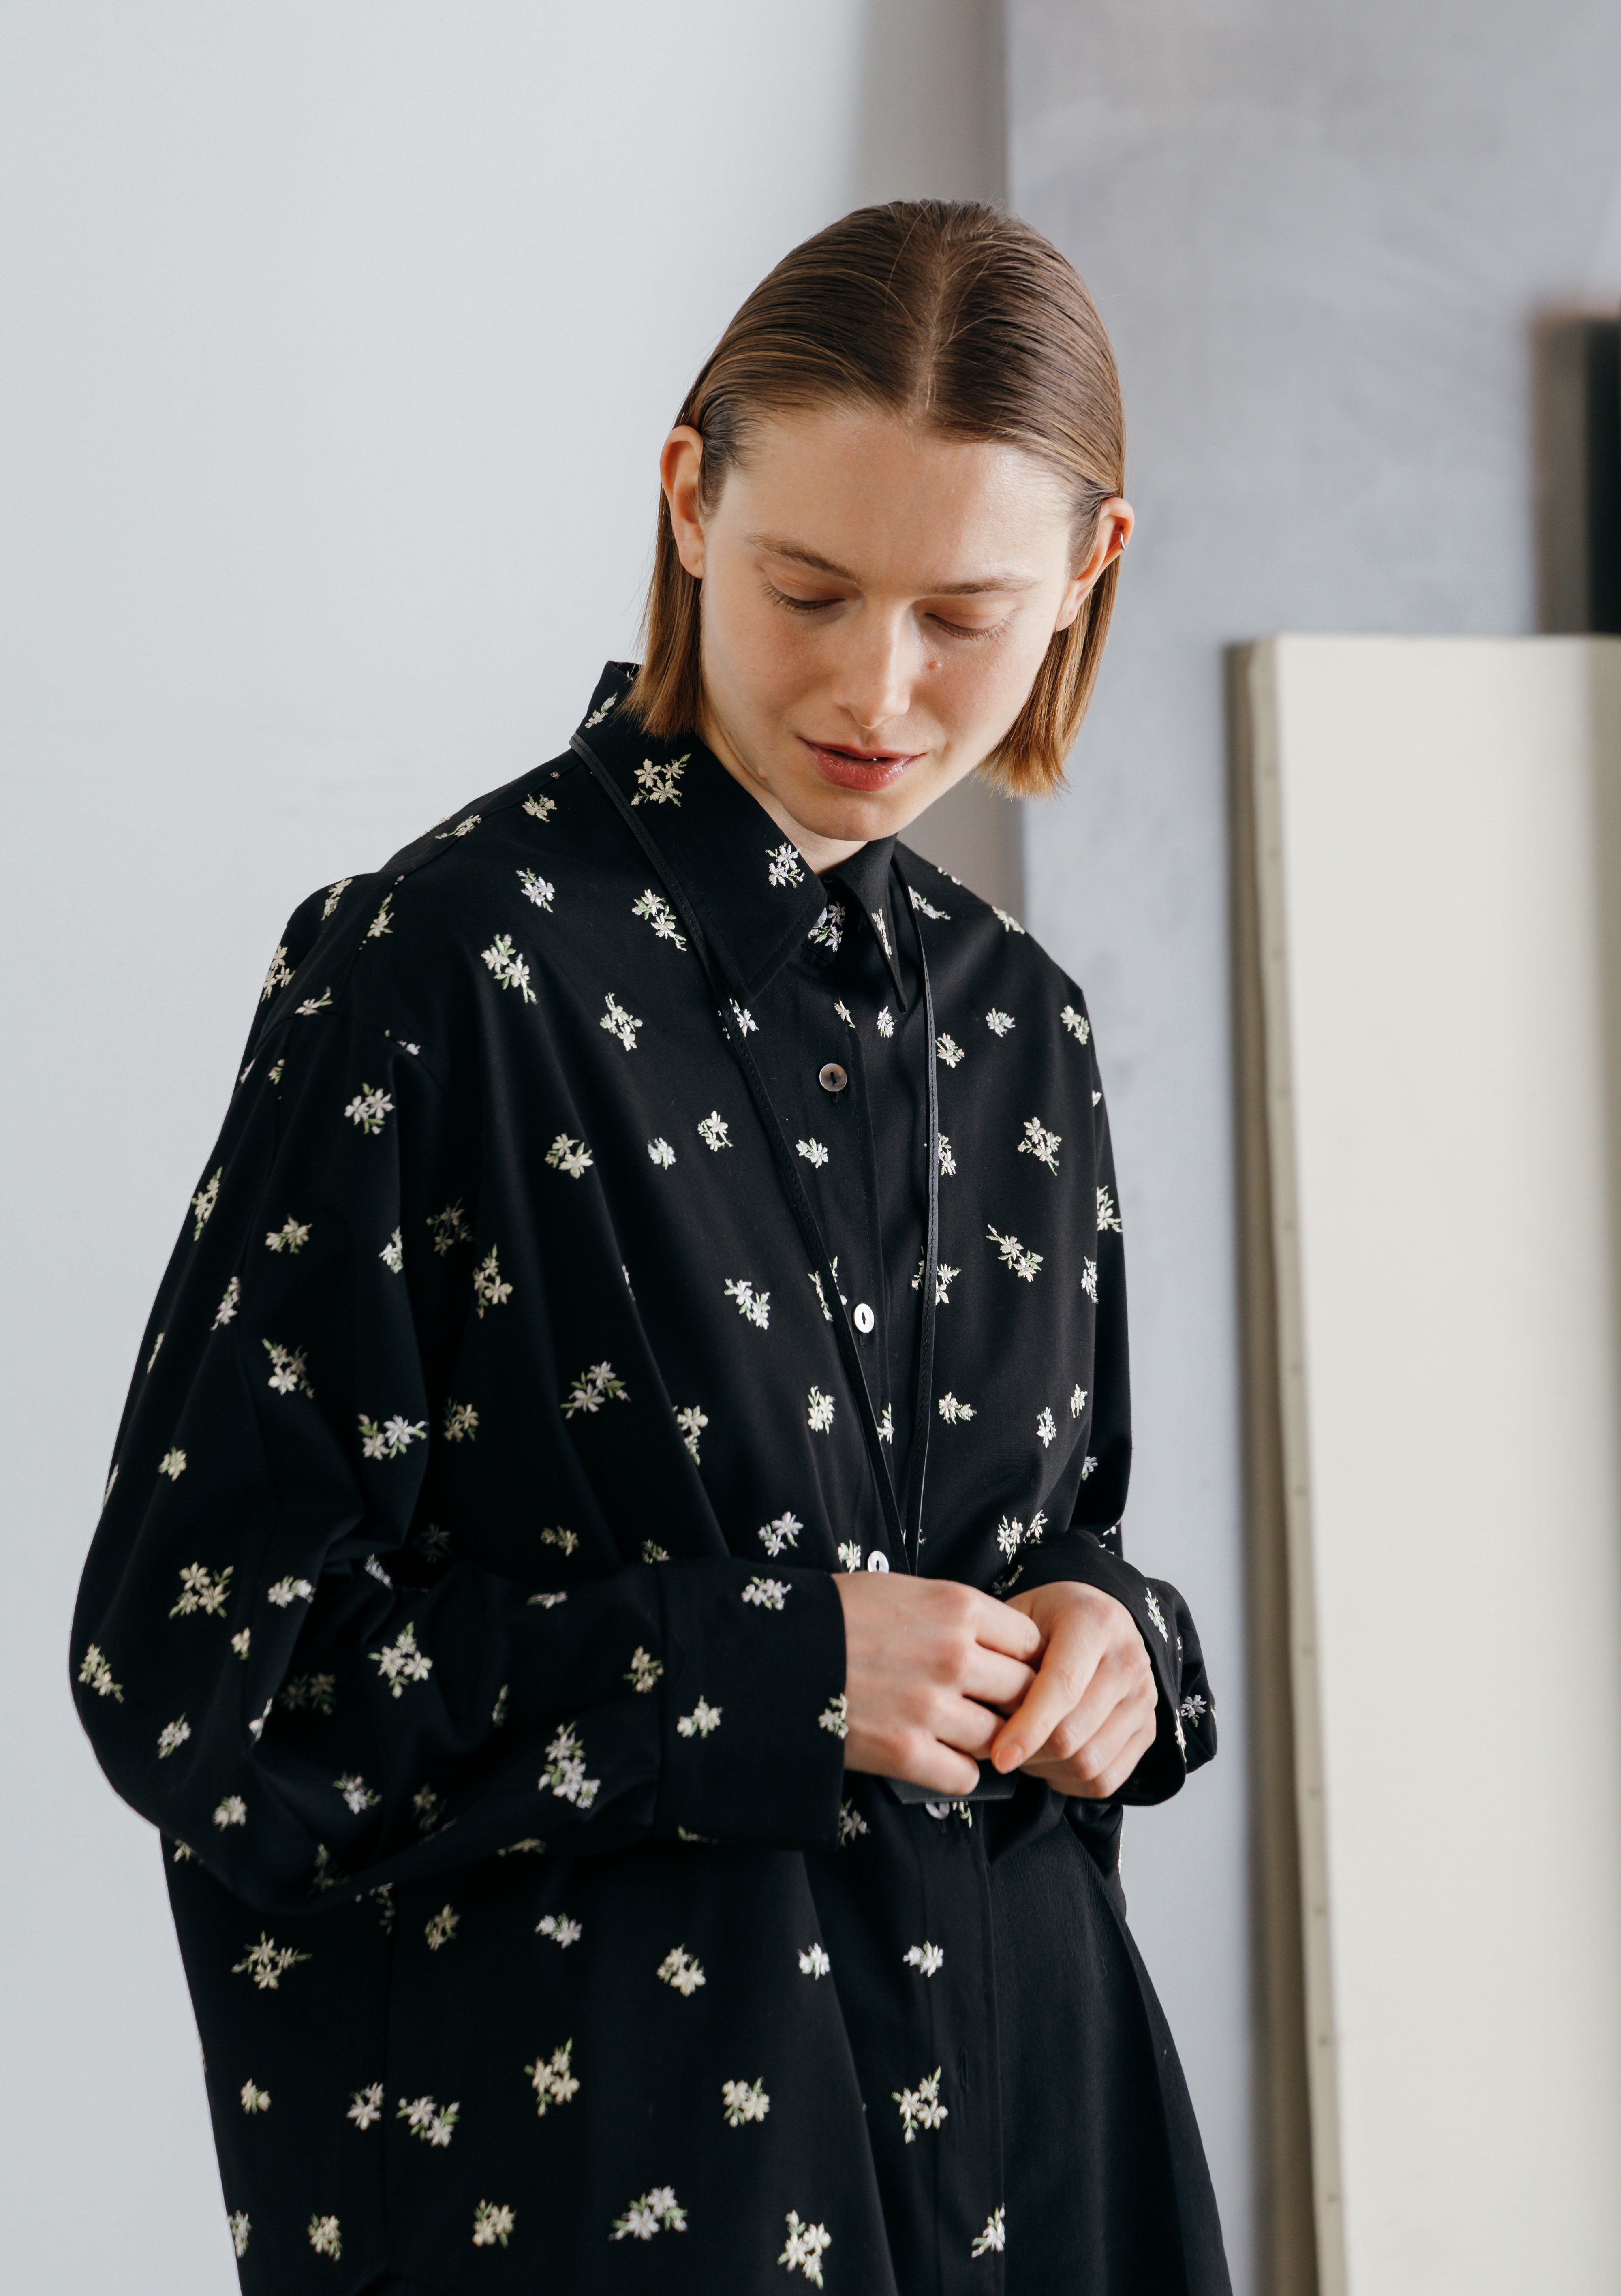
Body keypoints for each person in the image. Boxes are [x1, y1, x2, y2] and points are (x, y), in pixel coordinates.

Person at [71, 199, 1228, 2295]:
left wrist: (1114, 1637)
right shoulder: (438, 974)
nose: (880, 687)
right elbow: (198, 1673)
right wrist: (764, 1671)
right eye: (811, 589)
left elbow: (1046, 1533)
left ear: (1090, 573)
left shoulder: (1023, 1030)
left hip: (1040, 2158)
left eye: (965, 616)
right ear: (693, 501)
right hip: (620, 2190)